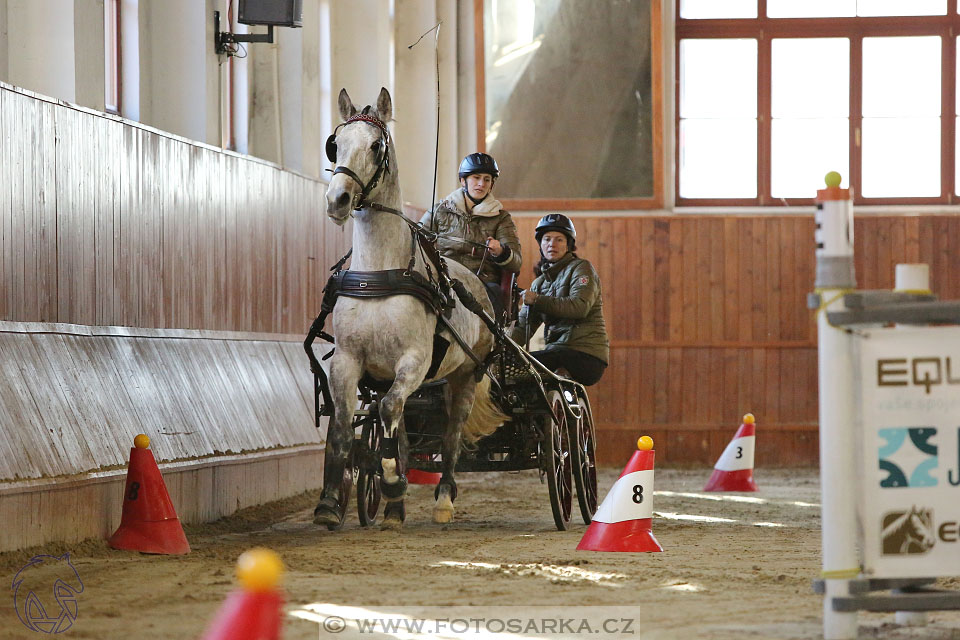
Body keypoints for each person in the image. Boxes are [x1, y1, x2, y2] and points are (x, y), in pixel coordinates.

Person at [420, 153, 521, 319]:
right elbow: (418, 238)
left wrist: (501, 252)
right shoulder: (439, 210)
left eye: (487, 179)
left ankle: (497, 342)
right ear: (463, 181)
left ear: (491, 184)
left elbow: (516, 262)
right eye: (476, 177)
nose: (481, 184)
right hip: (442, 277)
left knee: (494, 295)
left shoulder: (502, 218)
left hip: (481, 282)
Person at [511, 214, 609, 386]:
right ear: (541, 244)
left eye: (559, 240)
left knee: (528, 365)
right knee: (512, 367)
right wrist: (501, 348)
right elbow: (523, 327)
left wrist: (538, 300)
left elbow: (579, 307)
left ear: (569, 245)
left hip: (585, 354)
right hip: (558, 351)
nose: (552, 244)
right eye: (547, 239)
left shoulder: (582, 268)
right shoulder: (538, 284)